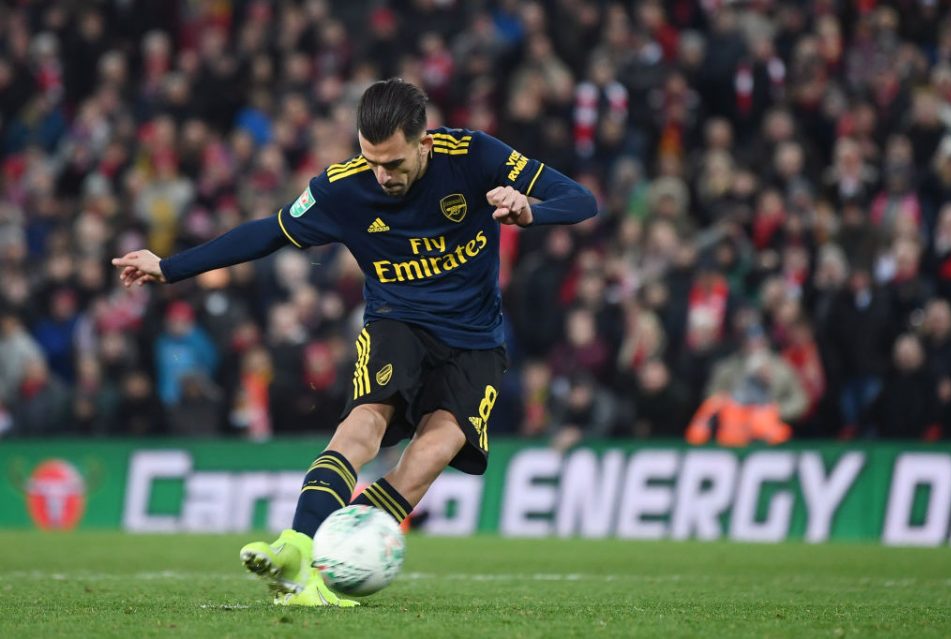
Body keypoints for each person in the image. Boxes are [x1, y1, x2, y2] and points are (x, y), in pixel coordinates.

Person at [112, 79, 597, 607]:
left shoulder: (474, 155)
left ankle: (335, 566)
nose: (382, 175)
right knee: (366, 422)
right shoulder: (343, 186)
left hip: (476, 339)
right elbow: (268, 232)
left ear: (424, 142)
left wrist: (529, 209)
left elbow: (581, 199)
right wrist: (170, 267)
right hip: (398, 321)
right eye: (371, 161)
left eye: (393, 163)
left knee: (435, 449)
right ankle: (297, 546)